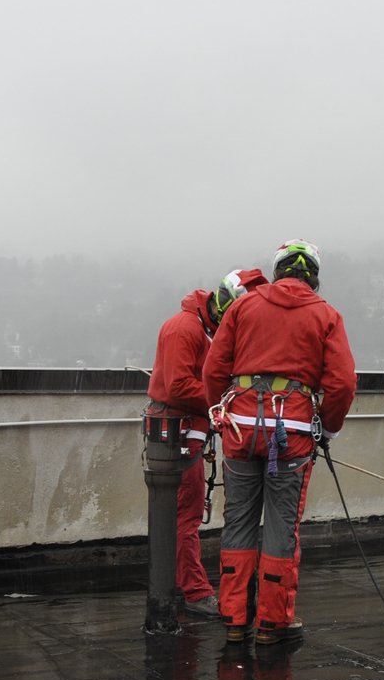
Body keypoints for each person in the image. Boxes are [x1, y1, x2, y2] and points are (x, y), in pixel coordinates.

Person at [202, 240, 357, 646]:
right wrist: (330, 427)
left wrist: (223, 414)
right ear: (314, 278)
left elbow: (214, 370)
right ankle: (273, 623)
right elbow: (342, 384)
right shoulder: (326, 316)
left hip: (240, 431)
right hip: (292, 436)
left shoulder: (242, 307)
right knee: (281, 528)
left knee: (237, 523)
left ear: (278, 271)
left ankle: (235, 618)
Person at [146, 267, 268, 617]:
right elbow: (179, 386)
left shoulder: (200, 327)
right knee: (185, 516)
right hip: (178, 436)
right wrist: (227, 400)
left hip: (184, 432)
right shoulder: (185, 329)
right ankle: (194, 591)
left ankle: (181, 583)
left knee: (183, 514)